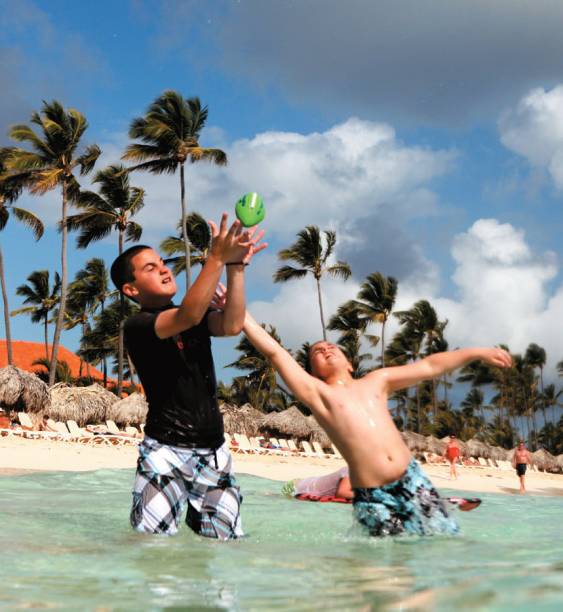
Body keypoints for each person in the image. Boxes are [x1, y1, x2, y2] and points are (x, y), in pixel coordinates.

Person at [243, 312, 512, 537]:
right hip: (374, 496)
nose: (325, 349)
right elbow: (275, 352)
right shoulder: (319, 394)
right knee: (384, 572)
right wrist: (242, 314)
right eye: (317, 351)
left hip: (413, 481)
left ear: (349, 363)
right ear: (312, 373)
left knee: (445, 545)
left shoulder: (377, 381)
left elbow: (430, 366)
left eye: (331, 346)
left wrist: (477, 352)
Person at [110, 213, 266, 538]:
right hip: (164, 451)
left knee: (225, 548)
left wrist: (236, 267)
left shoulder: (195, 316)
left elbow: (231, 324)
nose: (164, 268)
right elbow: (188, 314)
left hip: (213, 451)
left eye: (162, 262)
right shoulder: (138, 326)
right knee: (153, 548)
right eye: (149, 268)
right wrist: (217, 256)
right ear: (130, 289)